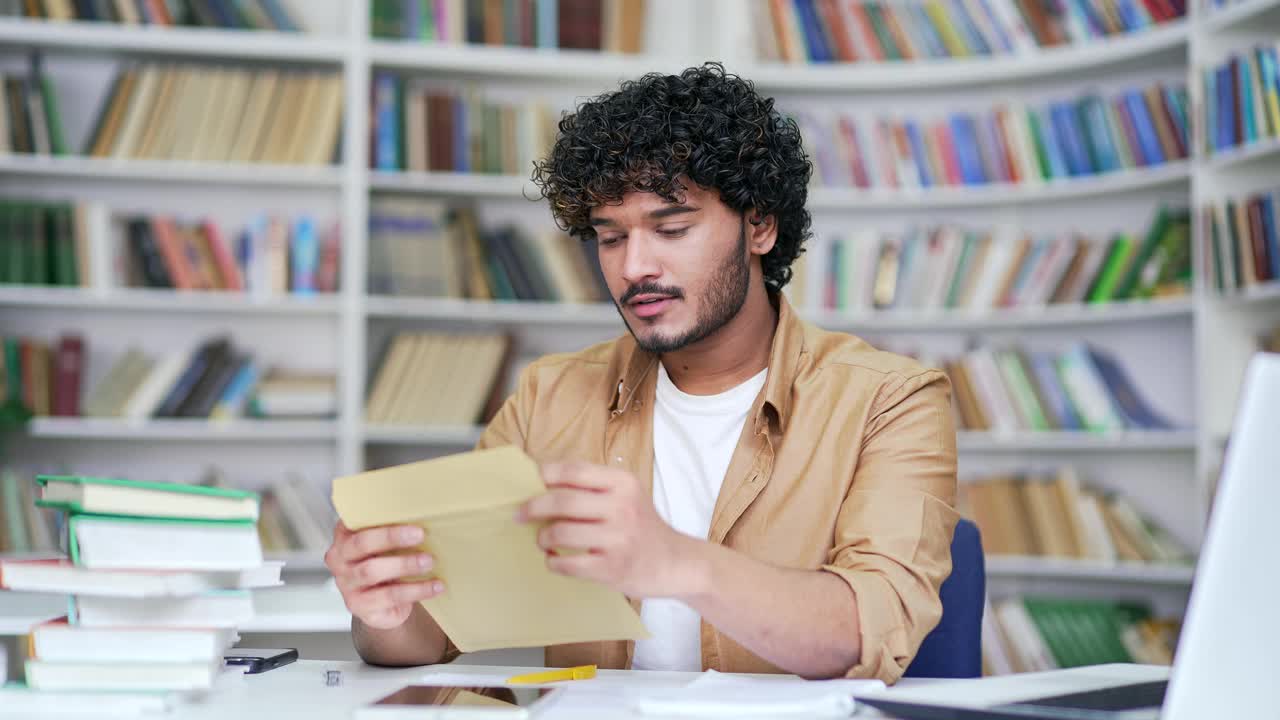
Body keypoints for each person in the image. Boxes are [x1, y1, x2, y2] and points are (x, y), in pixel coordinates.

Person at [324, 62, 958, 684]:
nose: (634, 268)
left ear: (760, 225)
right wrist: (384, 607)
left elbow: (871, 631)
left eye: (671, 228)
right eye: (609, 238)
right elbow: (428, 636)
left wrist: (676, 561)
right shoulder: (550, 395)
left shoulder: (891, 400)